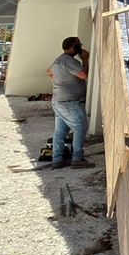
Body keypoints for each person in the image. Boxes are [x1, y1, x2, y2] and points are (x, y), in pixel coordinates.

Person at [47, 37, 90, 169]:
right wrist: (85, 60)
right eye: (79, 45)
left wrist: (58, 83)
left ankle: (57, 159)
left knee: (60, 131)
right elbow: (83, 75)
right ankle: (77, 158)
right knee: (80, 127)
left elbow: (49, 72)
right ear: (73, 47)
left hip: (59, 101)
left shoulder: (59, 59)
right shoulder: (69, 61)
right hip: (69, 102)